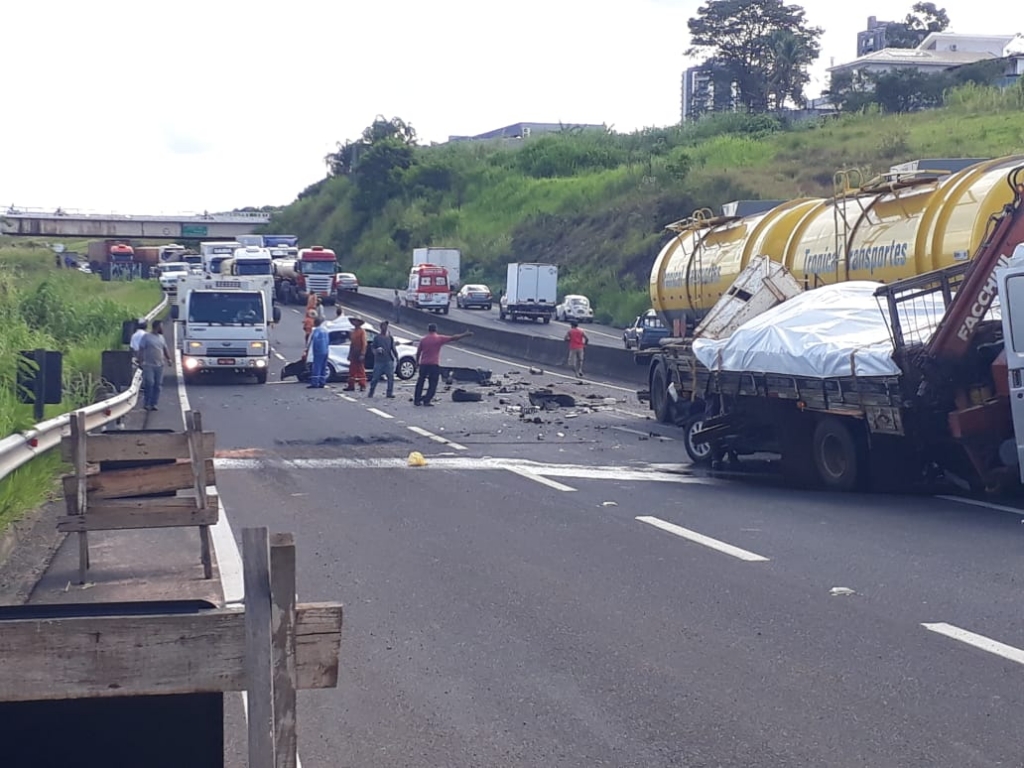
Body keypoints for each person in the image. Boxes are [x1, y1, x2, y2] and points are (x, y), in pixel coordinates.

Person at [414, 323, 473, 406]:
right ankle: (426, 400)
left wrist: (417, 362)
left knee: (420, 382)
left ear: (428, 329)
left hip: (424, 364)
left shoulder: (423, 340)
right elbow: (454, 338)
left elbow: (418, 352)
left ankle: (417, 400)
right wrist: (465, 334)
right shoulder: (439, 338)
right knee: (433, 383)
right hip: (433, 365)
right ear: (436, 330)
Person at [138, 320, 172, 411]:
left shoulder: (161, 338)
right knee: (150, 383)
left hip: (159, 365)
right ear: (157, 327)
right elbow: (141, 349)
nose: (162, 328)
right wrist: (140, 361)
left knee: (157, 385)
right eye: (161, 326)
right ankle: (147, 403)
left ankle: (154, 403)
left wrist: (169, 359)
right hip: (148, 365)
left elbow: (165, 349)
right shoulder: (146, 337)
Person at [367, 320, 398, 399]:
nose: (385, 328)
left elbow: (393, 348)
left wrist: (396, 357)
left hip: (388, 360)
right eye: (383, 326)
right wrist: (376, 351)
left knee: (390, 377)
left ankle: (389, 393)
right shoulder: (377, 338)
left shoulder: (390, 337)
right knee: (375, 378)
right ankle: (371, 392)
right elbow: (373, 347)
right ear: (381, 328)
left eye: (386, 326)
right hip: (379, 361)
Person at [344, 317, 368, 391]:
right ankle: (351, 385)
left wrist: (362, 354)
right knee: (352, 370)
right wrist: (349, 354)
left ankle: (362, 385)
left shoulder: (362, 332)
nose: (355, 323)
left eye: (356, 321)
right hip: (354, 352)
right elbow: (352, 344)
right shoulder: (353, 332)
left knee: (360, 369)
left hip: (359, 352)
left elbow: (364, 344)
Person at [306, 317, 329, 388]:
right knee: (323, 367)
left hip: (318, 351)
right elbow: (328, 340)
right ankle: (322, 382)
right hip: (326, 350)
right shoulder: (325, 330)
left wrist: (312, 350)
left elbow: (314, 341)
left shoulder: (316, 331)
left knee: (317, 367)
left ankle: (315, 382)